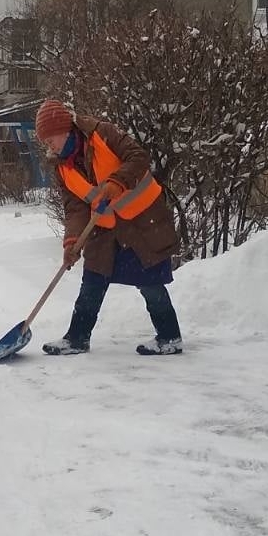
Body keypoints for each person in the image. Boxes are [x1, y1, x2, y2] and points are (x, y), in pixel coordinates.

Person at [35, 98, 183, 356]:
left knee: (150, 284)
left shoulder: (103, 134)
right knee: (92, 281)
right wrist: (72, 241)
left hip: (141, 225)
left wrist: (118, 181)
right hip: (105, 231)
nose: (48, 146)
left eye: (50, 139)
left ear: (65, 129)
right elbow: (76, 208)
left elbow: (138, 157)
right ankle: (77, 338)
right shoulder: (63, 168)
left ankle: (170, 337)